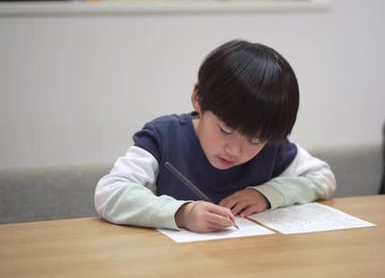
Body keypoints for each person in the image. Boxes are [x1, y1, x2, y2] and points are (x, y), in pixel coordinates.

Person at [94, 39, 336, 233]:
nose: (235, 150)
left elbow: (323, 178)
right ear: (198, 98)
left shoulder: (271, 146)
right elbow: (110, 193)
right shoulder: (164, 138)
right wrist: (181, 213)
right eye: (225, 130)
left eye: (254, 140)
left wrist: (268, 194)